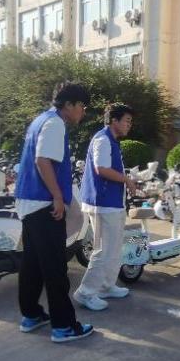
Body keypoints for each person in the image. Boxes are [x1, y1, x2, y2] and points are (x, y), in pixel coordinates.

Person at [15, 81, 94, 343]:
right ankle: (64, 326)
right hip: (43, 203)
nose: (83, 111)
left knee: (33, 264)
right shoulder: (55, 123)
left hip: (28, 202)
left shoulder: (40, 120)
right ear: (69, 104)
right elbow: (42, 160)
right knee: (55, 268)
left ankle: (31, 315)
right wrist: (58, 196)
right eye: (82, 106)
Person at [73, 103, 137, 311]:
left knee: (114, 248)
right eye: (127, 121)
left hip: (113, 203)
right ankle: (85, 293)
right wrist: (127, 180)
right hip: (102, 204)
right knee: (103, 250)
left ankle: (106, 286)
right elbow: (101, 169)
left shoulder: (112, 140)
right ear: (114, 120)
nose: (129, 125)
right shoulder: (102, 139)